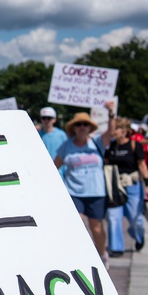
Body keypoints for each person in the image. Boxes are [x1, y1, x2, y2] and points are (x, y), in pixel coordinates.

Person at [55, 103, 115, 264]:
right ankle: (81, 256)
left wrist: (111, 114)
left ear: (90, 127)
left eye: (85, 124)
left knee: (96, 227)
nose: (82, 127)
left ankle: (102, 254)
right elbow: (55, 166)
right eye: (78, 124)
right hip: (74, 192)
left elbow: (111, 132)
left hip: (95, 192)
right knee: (78, 224)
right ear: (73, 128)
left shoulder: (97, 143)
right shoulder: (66, 146)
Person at [104, 117, 148, 256]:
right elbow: (106, 164)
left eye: (117, 129)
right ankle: (117, 248)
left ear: (125, 131)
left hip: (132, 185)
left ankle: (138, 235)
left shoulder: (134, 145)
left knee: (134, 217)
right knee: (114, 217)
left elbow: (142, 166)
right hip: (115, 185)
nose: (114, 132)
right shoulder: (110, 146)